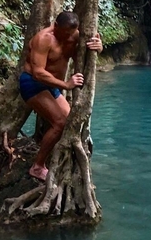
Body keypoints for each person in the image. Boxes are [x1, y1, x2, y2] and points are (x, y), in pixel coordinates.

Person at [19, 11, 103, 181]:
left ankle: (60, 160)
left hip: (53, 85)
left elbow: (89, 54)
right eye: (63, 33)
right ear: (56, 26)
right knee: (60, 123)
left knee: (70, 121)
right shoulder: (43, 39)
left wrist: (98, 47)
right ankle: (37, 167)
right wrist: (67, 85)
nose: (66, 37)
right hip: (32, 84)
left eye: (70, 34)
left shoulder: (76, 35)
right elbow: (38, 73)